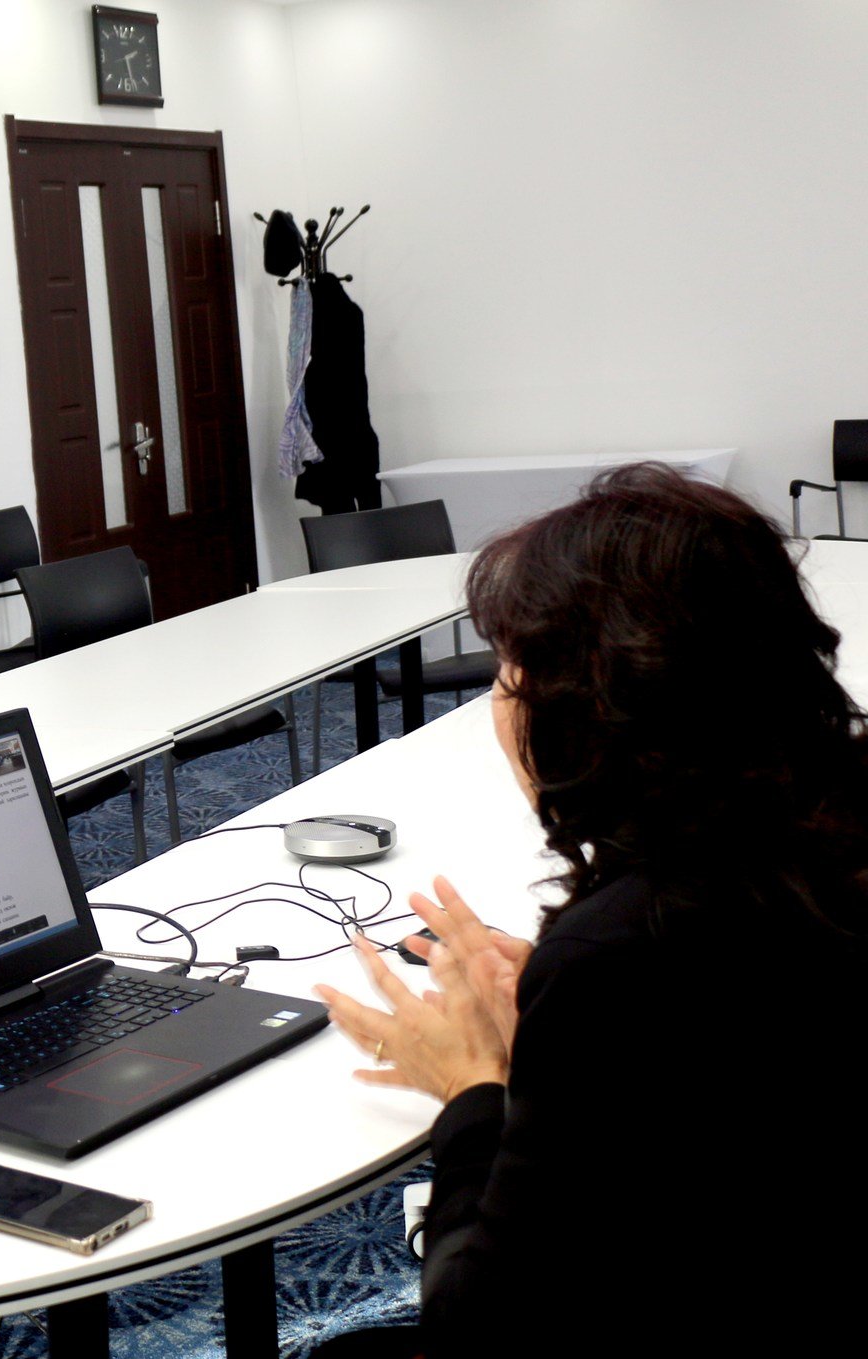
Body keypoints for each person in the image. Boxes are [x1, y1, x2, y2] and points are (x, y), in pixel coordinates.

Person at [312, 463, 868, 1357]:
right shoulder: (827, 827)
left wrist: (470, 1086)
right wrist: (560, 1012)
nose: (499, 704)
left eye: (509, 674)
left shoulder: (621, 952)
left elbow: (483, 1329)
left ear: (584, 708)